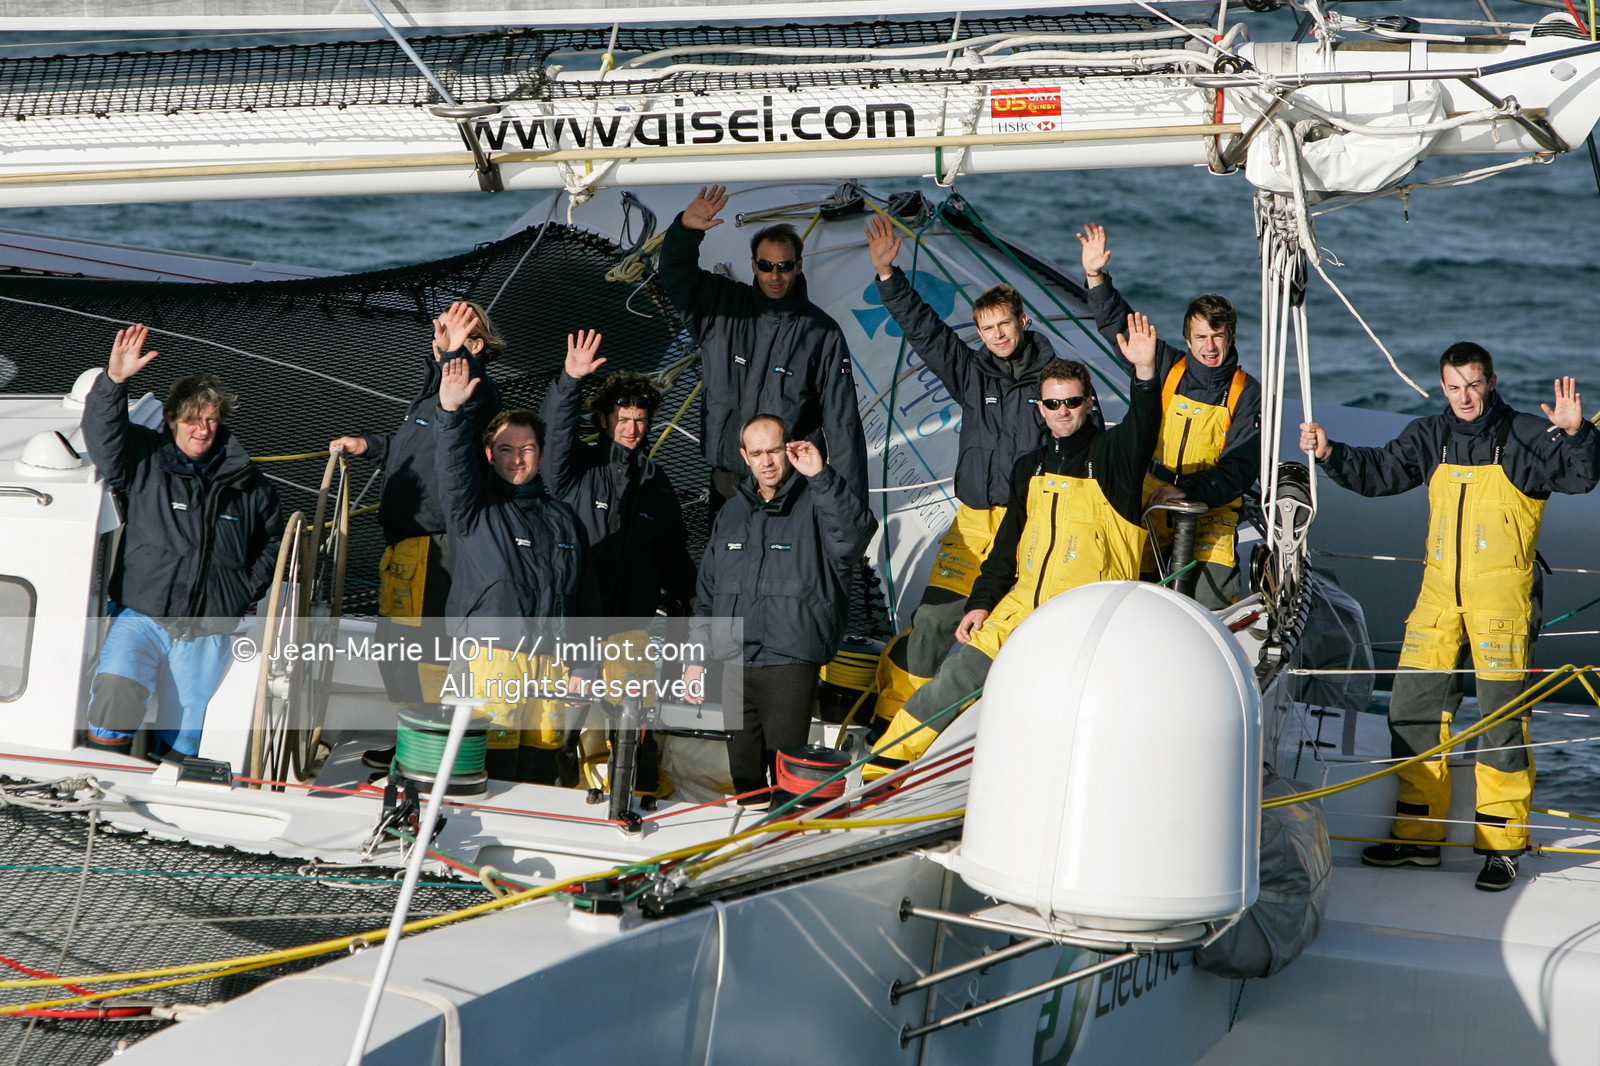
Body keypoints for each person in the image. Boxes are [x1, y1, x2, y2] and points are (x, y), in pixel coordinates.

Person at [1300, 344, 1598, 891]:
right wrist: (1329, 453)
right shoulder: (1429, 435)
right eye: (1453, 386)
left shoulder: (1528, 434)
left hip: (1502, 605)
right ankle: (1418, 839)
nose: (1464, 397)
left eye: (1473, 385)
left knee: (1501, 727)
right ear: (1442, 388)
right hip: (1437, 600)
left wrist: (1578, 434)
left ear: (1491, 381)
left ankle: (1502, 847)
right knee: (1411, 713)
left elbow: (1582, 479)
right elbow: (1379, 473)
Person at [866, 317, 1162, 778]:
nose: (1062, 411)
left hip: (1085, 615)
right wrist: (982, 603)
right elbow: (1006, 548)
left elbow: (1144, 428)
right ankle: (879, 770)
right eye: (1052, 403)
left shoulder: (1112, 459)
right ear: (1038, 408)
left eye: (1071, 402)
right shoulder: (1030, 466)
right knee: (956, 680)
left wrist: (1145, 375)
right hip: (1020, 607)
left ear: (1089, 403)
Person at [862, 214, 1054, 732]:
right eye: (987, 328)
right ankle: (891, 725)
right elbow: (927, 332)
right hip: (971, 523)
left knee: (1021, 632)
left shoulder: (1058, 385)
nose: (996, 336)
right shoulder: (973, 376)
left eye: (1004, 325)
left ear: (1023, 322)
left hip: (1030, 527)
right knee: (931, 623)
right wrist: (888, 275)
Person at [82, 324, 283, 759]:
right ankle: (102, 773)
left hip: (208, 629)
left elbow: (271, 542)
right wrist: (114, 382)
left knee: (188, 736)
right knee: (116, 691)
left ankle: (168, 792)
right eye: (193, 418)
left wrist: (243, 590)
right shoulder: (144, 459)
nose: (202, 428)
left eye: (211, 419)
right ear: (173, 418)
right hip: (142, 615)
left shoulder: (253, 485)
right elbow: (103, 436)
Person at [327, 301, 503, 769]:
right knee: (399, 650)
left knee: (422, 653)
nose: (440, 333)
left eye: (453, 329)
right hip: (406, 548)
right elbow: (414, 446)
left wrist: (451, 354)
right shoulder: (432, 395)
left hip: (433, 547)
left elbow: (457, 409)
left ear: (476, 345)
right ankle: (412, 739)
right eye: (440, 327)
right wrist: (369, 446)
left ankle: (427, 750)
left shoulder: (477, 392)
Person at [684, 414, 877, 807]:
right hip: (735, 662)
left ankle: (781, 844)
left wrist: (820, 476)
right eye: (757, 453)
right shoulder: (732, 513)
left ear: (789, 449)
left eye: (774, 450)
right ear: (744, 456)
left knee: (787, 778)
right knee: (745, 779)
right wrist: (696, 658)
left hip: (790, 661)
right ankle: (742, 856)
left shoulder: (818, 502)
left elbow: (854, 537)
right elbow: (707, 593)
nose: (767, 461)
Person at [540, 329, 697, 796]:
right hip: (573, 625)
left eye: (640, 419)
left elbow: (671, 549)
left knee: (633, 721)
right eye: (623, 418)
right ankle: (559, 782)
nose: (632, 428)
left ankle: (635, 795)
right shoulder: (573, 469)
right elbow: (556, 429)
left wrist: (689, 592)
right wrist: (569, 380)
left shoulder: (656, 480)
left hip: (631, 626)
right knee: (560, 728)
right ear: (605, 420)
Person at [1079, 223, 1261, 609]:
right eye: (1200, 337)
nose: (1209, 347)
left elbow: (1241, 469)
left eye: (1217, 336)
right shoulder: (1165, 366)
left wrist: (1188, 492)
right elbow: (1121, 326)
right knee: (1132, 595)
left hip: (1210, 509)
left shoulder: (1248, 393)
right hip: (1151, 498)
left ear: (1230, 338)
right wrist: (1096, 278)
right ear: (1187, 338)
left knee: (1210, 605)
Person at [435, 357, 599, 784]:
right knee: (484, 770)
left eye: (526, 449)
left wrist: (584, 667)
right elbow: (452, 467)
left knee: (540, 774)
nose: (516, 459)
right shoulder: (473, 509)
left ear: (540, 454)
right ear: (489, 454)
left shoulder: (565, 519)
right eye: (506, 449)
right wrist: (450, 413)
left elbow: (583, 599)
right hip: (491, 665)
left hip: (551, 667)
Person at [658, 184, 868, 511]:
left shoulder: (822, 333)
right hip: (728, 483)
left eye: (784, 266)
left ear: (798, 265)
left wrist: (848, 509)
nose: (775, 275)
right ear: (754, 265)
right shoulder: (721, 306)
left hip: (792, 490)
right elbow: (675, 275)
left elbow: (842, 426)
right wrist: (686, 231)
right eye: (767, 266)